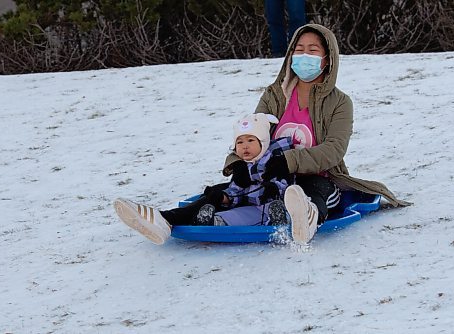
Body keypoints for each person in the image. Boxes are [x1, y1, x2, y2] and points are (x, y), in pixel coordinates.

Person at [223, 23, 411, 245]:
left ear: (327, 58)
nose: (304, 55)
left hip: (320, 180)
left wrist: (289, 161)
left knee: (313, 192)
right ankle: (180, 220)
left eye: (312, 51)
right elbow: (253, 134)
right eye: (299, 49)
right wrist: (237, 163)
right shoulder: (275, 95)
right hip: (273, 176)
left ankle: (308, 216)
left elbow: (334, 149)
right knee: (226, 194)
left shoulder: (340, 102)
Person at [113, 113, 294, 245]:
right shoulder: (243, 167)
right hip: (248, 206)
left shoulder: (275, 160)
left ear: (263, 141)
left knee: (268, 209)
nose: (245, 147)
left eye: (250, 141)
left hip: (271, 203)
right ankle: (184, 220)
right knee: (228, 209)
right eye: (240, 142)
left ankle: (276, 220)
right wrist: (222, 197)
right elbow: (237, 192)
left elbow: (286, 185)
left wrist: (273, 188)